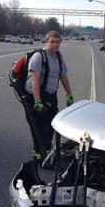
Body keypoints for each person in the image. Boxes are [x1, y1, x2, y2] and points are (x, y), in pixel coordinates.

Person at [27, 31, 73, 164]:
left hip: (51, 95)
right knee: (41, 126)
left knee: (52, 123)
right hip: (37, 95)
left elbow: (63, 76)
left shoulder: (58, 56)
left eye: (57, 42)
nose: (54, 44)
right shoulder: (39, 56)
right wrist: (37, 101)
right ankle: (40, 154)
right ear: (46, 42)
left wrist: (69, 94)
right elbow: (35, 80)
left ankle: (45, 151)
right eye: (52, 42)